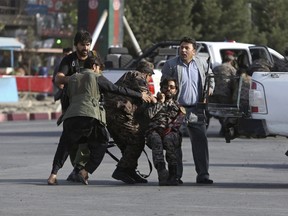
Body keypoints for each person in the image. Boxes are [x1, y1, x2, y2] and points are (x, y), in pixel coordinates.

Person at [47, 55, 151, 185]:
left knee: (64, 147)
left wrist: (67, 114)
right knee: (101, 143)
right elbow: (116, 89)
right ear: (94, 67)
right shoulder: (96, 77)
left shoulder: (73, 78)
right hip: (90, 116)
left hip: (71, 117)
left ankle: (53, 175)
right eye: (99, 69)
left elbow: (64, 97)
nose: (99, 71)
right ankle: (85, 172)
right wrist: (140, 95)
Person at [161, 36, 215, 184]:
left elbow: (211, 78)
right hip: (177, 110)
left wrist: (209, 89)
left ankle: (203, 174)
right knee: (174, 143)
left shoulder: (202, 63)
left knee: (200, 143)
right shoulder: (171, 65)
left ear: (194, 51)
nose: (183, 50)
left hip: (197, 110)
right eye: (181, 47)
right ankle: (176, 175)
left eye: (187, 48)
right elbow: (163, 85)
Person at [104, 60, 154, 184]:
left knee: (127, 145)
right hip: (120, 116)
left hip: (113, 116)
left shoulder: (129, 76)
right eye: (149, 76)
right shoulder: (137, 75)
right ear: (146, 73)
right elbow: (147, 97)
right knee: (137, 141)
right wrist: (158, 99)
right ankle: (121, 170)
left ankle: (130, 170)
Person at [145, 78, 185, 186]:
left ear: (175, 90)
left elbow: (178, 123)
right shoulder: (153, 102)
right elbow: (149, 115)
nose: (168, 89)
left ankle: (173, 174)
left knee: (168, 139)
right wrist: (160, 103)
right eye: (166, 87)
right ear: (161, 88)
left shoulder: (178, 107)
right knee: (155, 138)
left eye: (171, 87)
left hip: (171, 132)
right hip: (155, 132)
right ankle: (162, 172)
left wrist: (167, 130)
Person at [209, 52, 237, 136]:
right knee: (225, 113)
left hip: (213, 94)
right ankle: (225, 130)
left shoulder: (216, 68)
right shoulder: (232, 69)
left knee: (214, 112)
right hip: (225, 94)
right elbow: (234, 83)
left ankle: (222, 129)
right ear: (231, 61)